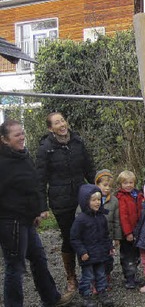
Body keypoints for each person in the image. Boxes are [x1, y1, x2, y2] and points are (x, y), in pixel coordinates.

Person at [0, 119, 74, 307]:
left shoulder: (23, 155)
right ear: (4, 139)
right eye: (17, 135)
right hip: (11, 222)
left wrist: (37, 211)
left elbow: (33, 185)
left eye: (22, 132)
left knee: (39, 258)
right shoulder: (3, 163)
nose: (22, 137)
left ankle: (50, 298)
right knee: (15, 267)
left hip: (27, 219)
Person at [36, 112, 96, 293]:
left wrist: (98, 189)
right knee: (70, 238)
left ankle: (89, 275)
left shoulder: (77, 142)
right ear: (50, 128)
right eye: (56, 123)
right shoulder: (45, 148)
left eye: (62, 120)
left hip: (82, 196)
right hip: (60, 200)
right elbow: (40, 179)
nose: (62, 125)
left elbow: (89, 167)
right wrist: (42, 206)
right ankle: (71, 277)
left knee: (87, 236)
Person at [75, 169, 121, 290]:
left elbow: (116, 221)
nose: (107, 188)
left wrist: (117, 237)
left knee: (107, 261)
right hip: (90, 240)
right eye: (104, 185)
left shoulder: (114, 201)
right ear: (97, 184)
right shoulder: (86, 202)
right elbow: (78, 220)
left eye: (110, 186)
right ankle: (93, 284)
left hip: (106, 237)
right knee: (92, 264)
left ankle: (105, 280)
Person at [70, 184, 115, 307]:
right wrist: (82, 252)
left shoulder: (101, 217)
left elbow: (106, 235)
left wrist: (109, 247)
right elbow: (74, 238)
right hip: (87, 255)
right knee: (88, 276)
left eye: (98, 200)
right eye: (93, 200)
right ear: (86, 201)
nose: (97, 203)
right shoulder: (80, 220)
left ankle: (102, 292)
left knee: (101, 275)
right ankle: (86, 295)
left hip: (100, 253)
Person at [114, 170, 143, 289]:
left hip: (138, 230)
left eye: (131, 182)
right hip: (128, 233)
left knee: (137, 255)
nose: (128, 185)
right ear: (120, 184)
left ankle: (134, 275)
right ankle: (129, 278)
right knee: (127, 256)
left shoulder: (138, 195)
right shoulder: (121, 197)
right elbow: (123, 217)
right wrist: (128, 233)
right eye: (125, 183)